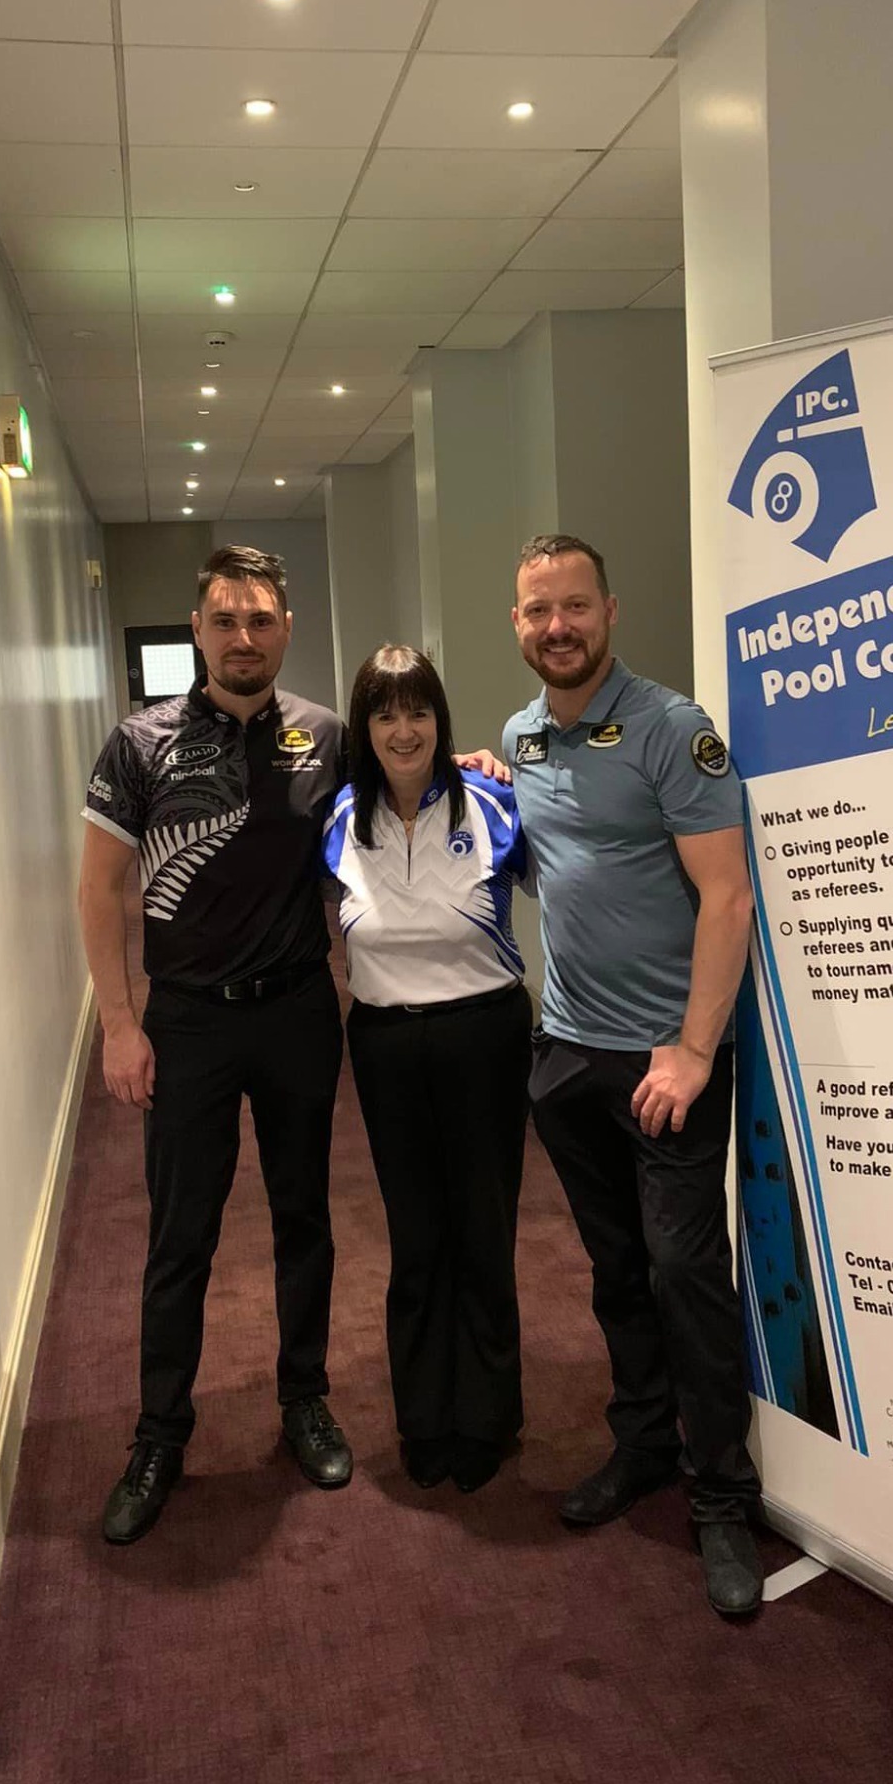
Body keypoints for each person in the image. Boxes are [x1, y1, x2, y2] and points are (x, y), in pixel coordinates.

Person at [503, 533, 763, 1617]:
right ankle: (645, 1440)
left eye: (574, 606)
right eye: (537, 611)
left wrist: (695, 1049)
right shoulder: (521, 735)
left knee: (682, 1273)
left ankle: (723, 1496)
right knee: (615, 1269)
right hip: (567, 1051)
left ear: (609, 610)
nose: (556, 626)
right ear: (517, 624)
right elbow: (546, 862)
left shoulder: (670, 728)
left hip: (666, 1061)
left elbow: (728, 896)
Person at [79, 545, 353, 1544]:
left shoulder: (326, 736)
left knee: (303, 1215)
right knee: (180, 1235)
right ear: (197, 629)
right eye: (226, 620)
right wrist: (119, 1022)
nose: (244, 637)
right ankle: (159, 1433)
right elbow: (98, 888)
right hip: (188, 1020)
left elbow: (404, 791)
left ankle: (305, 1398)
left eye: (261, 620)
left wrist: (474, 764)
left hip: (297, 1012)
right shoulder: (139, 743)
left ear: (286, 629)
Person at [324, 647, 532, 1494]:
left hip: (484, 1037)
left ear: (441, 720)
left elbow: (574, 878)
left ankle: (486, 1416)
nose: (403, 730)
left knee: (482, 1228)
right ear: (364, 727)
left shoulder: (493, 800)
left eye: (418, 712)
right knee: (416, 1236)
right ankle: (424, 1416)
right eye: (384, 714)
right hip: (384, 1045)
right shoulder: (340, 815)